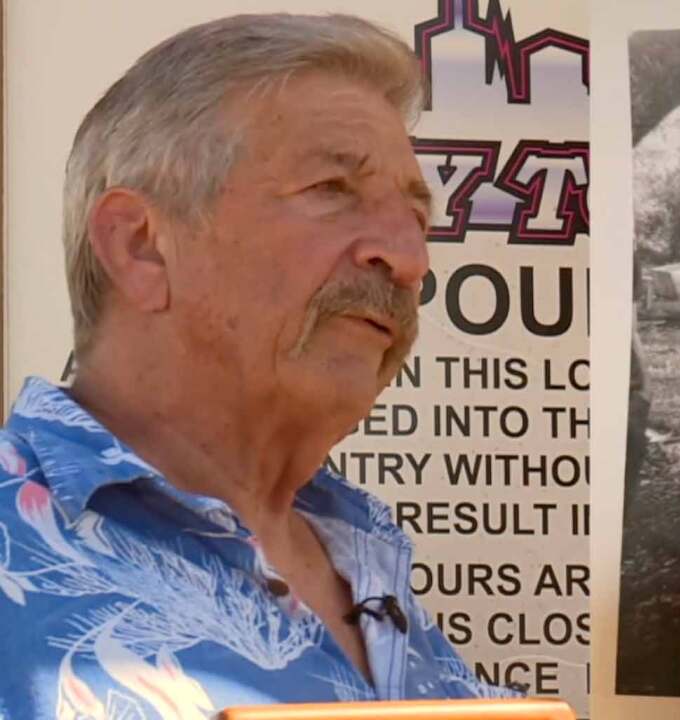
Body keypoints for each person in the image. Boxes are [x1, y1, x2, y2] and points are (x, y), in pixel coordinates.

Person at [0, 14, 518, 715]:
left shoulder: (364, 554)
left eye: (418, 222)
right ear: (141, 247)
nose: (410, 261)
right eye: (334, 189)